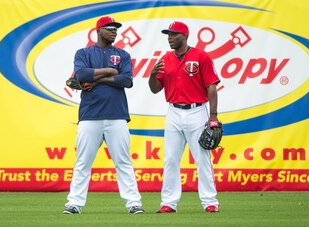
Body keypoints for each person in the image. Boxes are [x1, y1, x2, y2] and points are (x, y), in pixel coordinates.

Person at [63, 16, 144, 214]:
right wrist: (109, 71)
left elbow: (126, 80)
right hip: (90, 115)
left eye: (116, 28)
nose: (114, 31)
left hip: (117, 115)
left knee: (123, 161)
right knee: (83, 161)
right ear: (98, 31)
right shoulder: (84, 53)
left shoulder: (122, 55)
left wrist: (97, 80)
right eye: (109, 28)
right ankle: (74, 203)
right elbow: (80, 75)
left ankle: (134, 203)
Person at [148, 21, 220, 213]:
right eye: (168, 35)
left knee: (202, 158)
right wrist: (152, 76)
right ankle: (169, 203)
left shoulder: (201, 56)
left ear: (185, 36)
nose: (170, 38)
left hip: (197, 110)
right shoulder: (165, 59)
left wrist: (213, 116)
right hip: (173, 111)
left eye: (174, 34)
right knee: (170, 159)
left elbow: (211, 86)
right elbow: (156, 89)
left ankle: (210, 201)